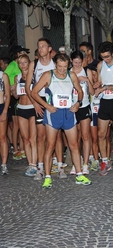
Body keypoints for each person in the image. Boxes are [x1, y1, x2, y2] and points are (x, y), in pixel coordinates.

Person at [31, 53, 92, 188]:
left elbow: (80, 91)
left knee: (74, 145)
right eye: (59, 66)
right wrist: (46, 106)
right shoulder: (48, 75)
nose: (62, 70)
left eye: (65, 67)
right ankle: (47, 177)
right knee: (50, 145)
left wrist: (78, 103)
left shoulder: (71, 75)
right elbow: (34, 92)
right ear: (55, 65)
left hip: (68, 113)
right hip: (54, 113)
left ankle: (79, 174)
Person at [25, 38, 56, 180]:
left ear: (49, 49)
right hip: (38, 100)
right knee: (40, 136)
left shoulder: (55, 63)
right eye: (39, 46)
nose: (40, 48)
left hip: (53, 100)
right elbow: (27, 87)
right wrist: (35, 104)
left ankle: (56, 162)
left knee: (55, 135)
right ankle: (40, 166)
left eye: (43, 46)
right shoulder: (34, 64)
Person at [94, 41, 113, 176]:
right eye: (103, 57)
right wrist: (97, 85)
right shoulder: (100, 65)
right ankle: (105, 161)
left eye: (108, 57)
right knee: (101, 134)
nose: (105, 59)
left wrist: (105, 87)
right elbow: (99, 82)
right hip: (104, 101)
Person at [11, 55, 39, 177]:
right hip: (21, 108)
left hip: (32, 108)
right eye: (20, 63)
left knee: (33, 138)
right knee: (25, 138)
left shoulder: (34, 77)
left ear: (29, 63)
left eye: (25, 62)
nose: (23, 65)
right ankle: (30, 163)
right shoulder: (17, 77)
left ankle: (34, 164)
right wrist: (13, 90)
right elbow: (17, 96)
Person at [70, 51, 94, 174]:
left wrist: (87, 80)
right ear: (71, 61)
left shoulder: (87, 71)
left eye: (80, 62)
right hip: (72, 107)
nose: (78, 64)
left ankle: (85, 164)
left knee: (85, 135)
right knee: (75, 137)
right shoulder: (68, 72)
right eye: (75, 62)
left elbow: (92, 92)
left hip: (84, 105)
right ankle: (76, 163)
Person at [0, 65, 11, 174]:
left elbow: (8, 95)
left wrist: (5, 111)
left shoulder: (3, 75)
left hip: (1, 107)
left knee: (2, 137)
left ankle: (4, 164)